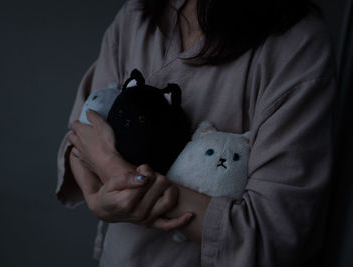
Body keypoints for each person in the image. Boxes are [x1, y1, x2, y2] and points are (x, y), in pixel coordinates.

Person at [56, 0, 336, 266]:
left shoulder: (297, 47)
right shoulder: (136, 15)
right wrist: (96, 197)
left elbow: (273, 237)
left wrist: (116, 171)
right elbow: (80, 137)